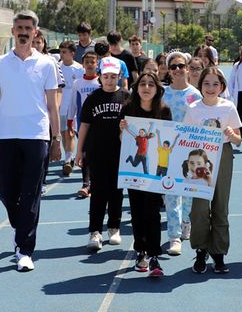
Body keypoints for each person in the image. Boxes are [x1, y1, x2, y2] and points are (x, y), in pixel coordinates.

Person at [0, 10, 61, 271]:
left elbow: (53, 106)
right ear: (13, 32)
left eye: (27, 28)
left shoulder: (47, 64)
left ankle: (24, 249)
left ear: (35, 32)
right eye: (19, 27)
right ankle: (20, 226)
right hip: (5, 136)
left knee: (31, 193)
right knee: (7, 192)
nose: (23, 32)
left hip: (37, 136)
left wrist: (56, 139)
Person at [184, 67, 242, 274]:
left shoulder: (228, 107)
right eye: (206, 83)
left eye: (215, 84)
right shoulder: (193, 108)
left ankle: (218, 253)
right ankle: (201, 250)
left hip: (223, 155)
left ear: (222, 87)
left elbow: (237, 140)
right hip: (199, 157)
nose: (210, 88)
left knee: (220, 205)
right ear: (200, 86)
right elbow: (185, 137)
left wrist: (231, 134)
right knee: (199, 208)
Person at [119, 72, 171, 277]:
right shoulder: (128, 109)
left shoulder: (164, 111)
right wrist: (122, 129)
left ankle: (154, 255)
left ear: (157, 88)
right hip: (134, 173)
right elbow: (123, 141)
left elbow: (166, 138)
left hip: (154, 172)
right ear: (136, 87)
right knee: (137, 211)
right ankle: (140, 251)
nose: (146, 87)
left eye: (151, 84)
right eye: (143, 84)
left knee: (153, 212)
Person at [75, 57, 130, 251]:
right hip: (96, 152)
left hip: (120, 152)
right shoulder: (93, 98)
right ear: (100, 77)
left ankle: (114, 227)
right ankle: (95, 231)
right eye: (106, 76)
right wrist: (79, 150)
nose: (109, 80)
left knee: (116, 192)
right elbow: (84, 125)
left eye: (113, 77)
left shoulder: (126, 96)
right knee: (98, 192)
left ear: (119, 76)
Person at [162, 51, 203, 255]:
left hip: (190, 152)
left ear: (187, 68)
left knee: (188, 195)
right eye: (173, 67)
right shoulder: (162, 94)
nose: (177, 70)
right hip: (167, 151)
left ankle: (186, 221)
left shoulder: (195, 95)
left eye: (181, 66)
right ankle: (174, 236)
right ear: (168, 71)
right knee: (170, 195)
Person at [68, 51, 101, 198]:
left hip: (99, 124)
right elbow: (73, 103)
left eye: (92, 62)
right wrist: (70, 120)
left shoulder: (101, 82)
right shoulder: (77, 83)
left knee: (97, 154)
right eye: (86, 62)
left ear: (97, 64)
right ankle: (86, 184)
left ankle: (96, 182)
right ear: (83, 64)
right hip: (83, 123)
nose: (89, 65)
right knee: (85, 152)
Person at [58, 41, 84, 177]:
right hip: (60, 103)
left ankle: (68, 159)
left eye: (64, 52)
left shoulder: (79, 69)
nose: (61, 54)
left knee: (70, 132)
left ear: (72, 54)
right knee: (63, 133)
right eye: (60, 52)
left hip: (73, 104)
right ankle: (68, 156)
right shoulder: (57, 67)